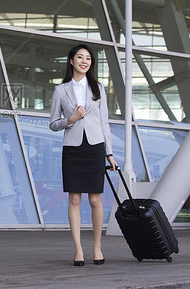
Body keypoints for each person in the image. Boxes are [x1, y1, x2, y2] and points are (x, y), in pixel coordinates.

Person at [49, 44, 118, 267]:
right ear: (71, 61)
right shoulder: (61, 91)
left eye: (88, 58)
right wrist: (70, 119)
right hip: (73, 148)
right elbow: (53, 124)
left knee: (95, 199)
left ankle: (97, 247)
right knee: (75, 199)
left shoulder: (98, 88)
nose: (84, 61)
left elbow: (104, 123)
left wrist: (109, 154)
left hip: (95, 147)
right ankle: (78, 249)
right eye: (80, 57)